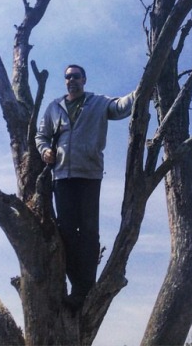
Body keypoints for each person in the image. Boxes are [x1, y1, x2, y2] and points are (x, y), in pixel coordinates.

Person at [35, 64, 135, 310]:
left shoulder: (98, 102)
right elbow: (41, 136)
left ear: (84, 80)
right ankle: (78, 286)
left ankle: (84, 289)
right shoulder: (53, 108)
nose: (71, 80)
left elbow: (121, 108)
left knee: (89, 232)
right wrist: (45, 149)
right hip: (62, 177)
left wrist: (144, 86)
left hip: (89, 175)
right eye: (67, 77)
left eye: (76, 76)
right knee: (66, 232)